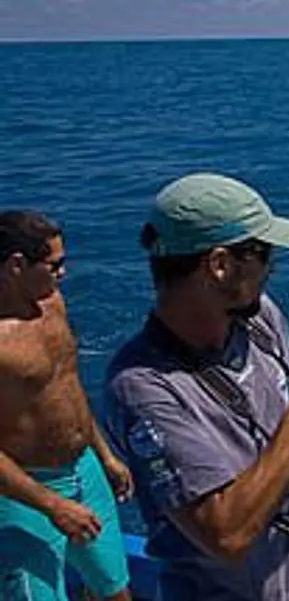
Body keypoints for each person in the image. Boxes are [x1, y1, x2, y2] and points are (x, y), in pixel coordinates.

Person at [100, 173, 289, 600]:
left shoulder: (260, 320)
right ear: (218, 265)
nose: (271, 269)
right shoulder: (142, 387)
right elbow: (226, 534)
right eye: (263, 254)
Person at [0, 210, 133, 601]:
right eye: (55, 265)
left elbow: (66, 389)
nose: (63, 274)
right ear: (16, 266)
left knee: (114, 592)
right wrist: (52, 504)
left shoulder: (52, 304)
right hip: (24, 494)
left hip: (84, 471)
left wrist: (104, 455)